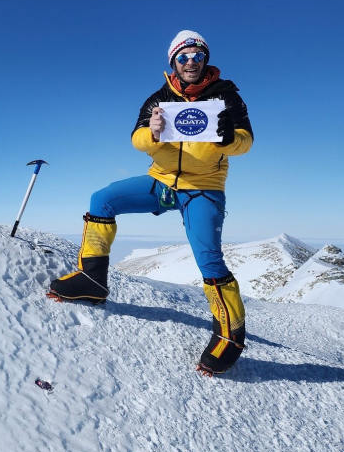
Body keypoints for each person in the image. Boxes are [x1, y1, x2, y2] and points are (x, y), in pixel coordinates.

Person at [47, 30, 253, 376]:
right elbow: (137, 138)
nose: (191, 62)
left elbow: (245, 142)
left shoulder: (226, 97)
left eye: (197, 56)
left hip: (203, 187)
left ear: (206, 59)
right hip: (161, 180)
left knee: (209, 259)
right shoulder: (159, 97)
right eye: (183, 57)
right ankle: (91, 281)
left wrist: (228, 137)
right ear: (173, 61)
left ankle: (230, 336)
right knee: (102, 200)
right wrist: (153, 132)